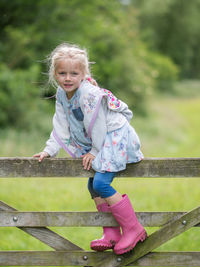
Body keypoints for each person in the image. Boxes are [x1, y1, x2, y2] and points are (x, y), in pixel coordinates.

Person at [33, 43, 147, 255]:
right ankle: (111, 234)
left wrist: (94, 151)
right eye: (62, 73)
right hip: (100, 139)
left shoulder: (88, 93)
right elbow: (60, 123)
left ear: (83, 74)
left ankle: (134, 228)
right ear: (55, 74)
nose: (68, 78)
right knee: (92, 185)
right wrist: (49, 150)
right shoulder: (61, 94)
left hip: (112, 135)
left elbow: (99, 124)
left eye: (74, 73)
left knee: (102, 183)